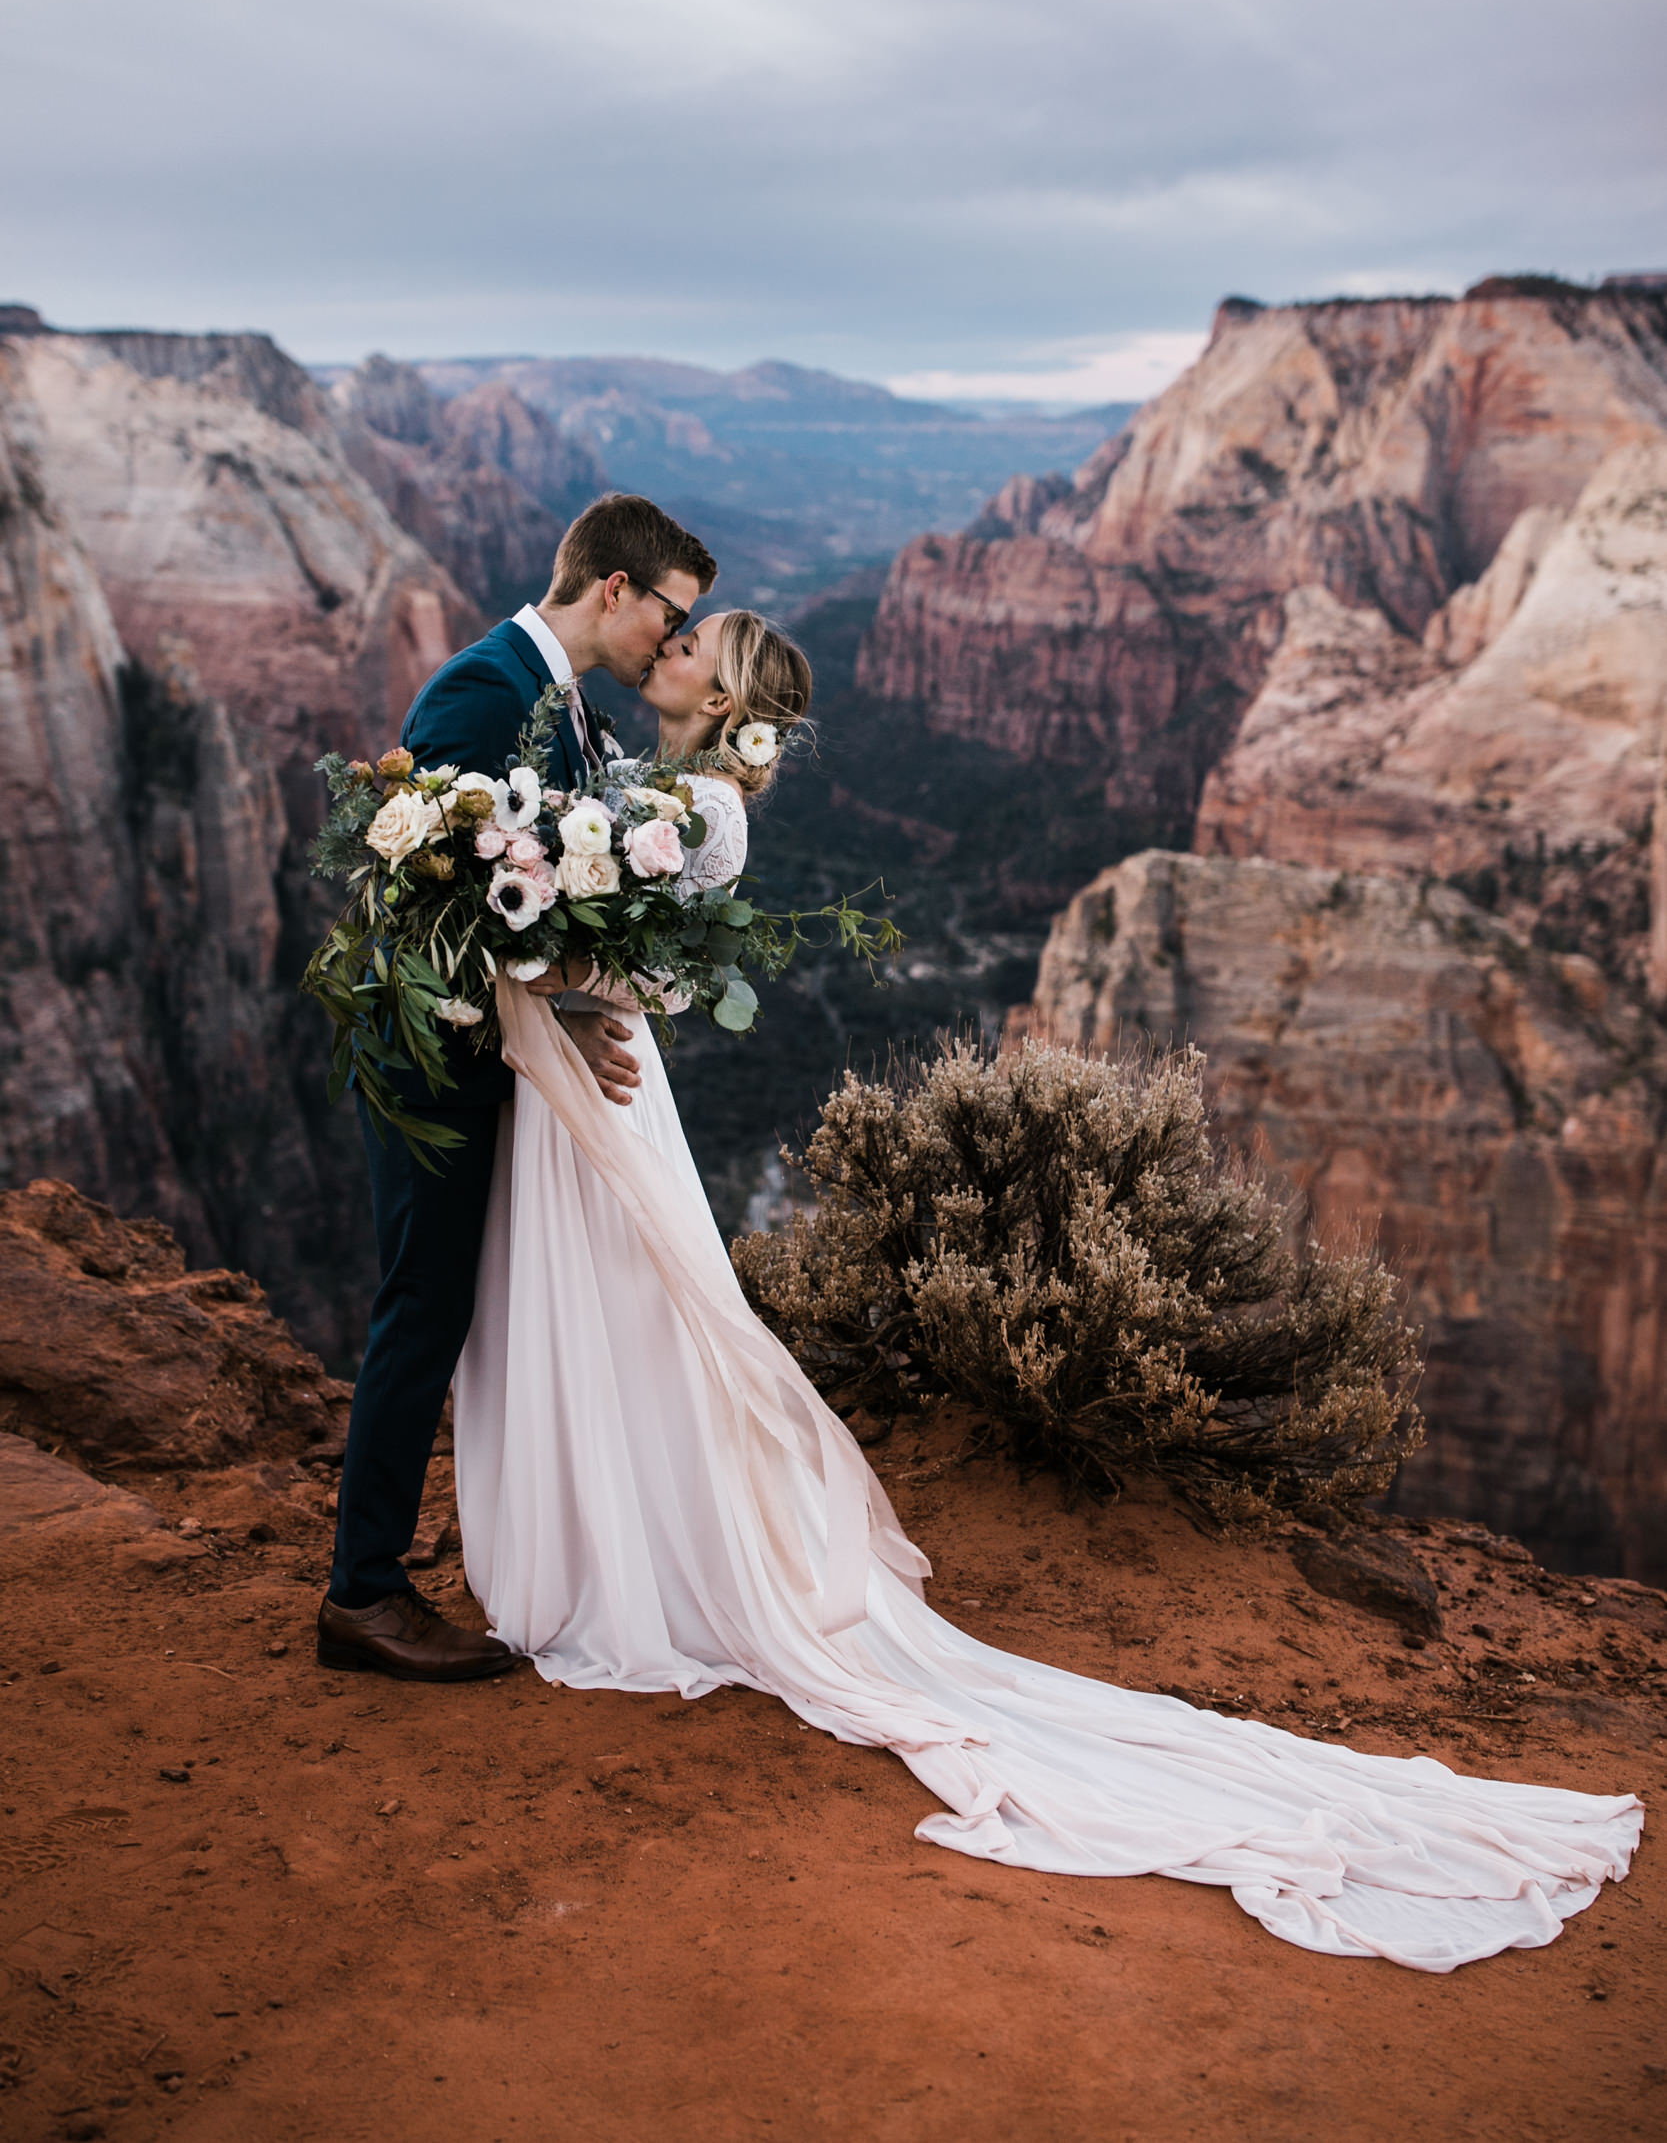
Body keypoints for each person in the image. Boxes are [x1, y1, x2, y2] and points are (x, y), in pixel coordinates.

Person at [453, 605, 1644, 1972]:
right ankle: (622, 1520)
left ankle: (642, 1542)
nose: (664, 649)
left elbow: (657, 955)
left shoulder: (700, 807)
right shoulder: (654, 782)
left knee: (642, 1308)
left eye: (689, 646)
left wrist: (580, 979)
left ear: (720, 696)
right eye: (667, 634)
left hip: (607, 1073)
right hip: (597, 1074)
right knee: (632, 1306)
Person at [317, 494, 717, 1682]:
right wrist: (558, 1001)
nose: (672, 639)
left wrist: (575, 1004)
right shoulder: (481, 691)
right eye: (671, 614)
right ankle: (364, 1594)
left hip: (501, 1064)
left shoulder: (564, 704)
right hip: (435, 1067)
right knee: (423, 1309)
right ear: (615, 590)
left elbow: (533, 899)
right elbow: (431, 901)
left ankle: (534, 1549)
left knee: (482, 1312)